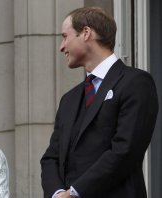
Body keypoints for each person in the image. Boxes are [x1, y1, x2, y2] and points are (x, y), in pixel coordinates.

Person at [40, 7, 158, 198]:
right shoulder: (69, 99)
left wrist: (75, 193)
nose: (62, 47)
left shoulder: (135, 83)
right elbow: (51, 157)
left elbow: (125, 151)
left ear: (86, 33)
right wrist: (58, 193)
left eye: (65, 36)